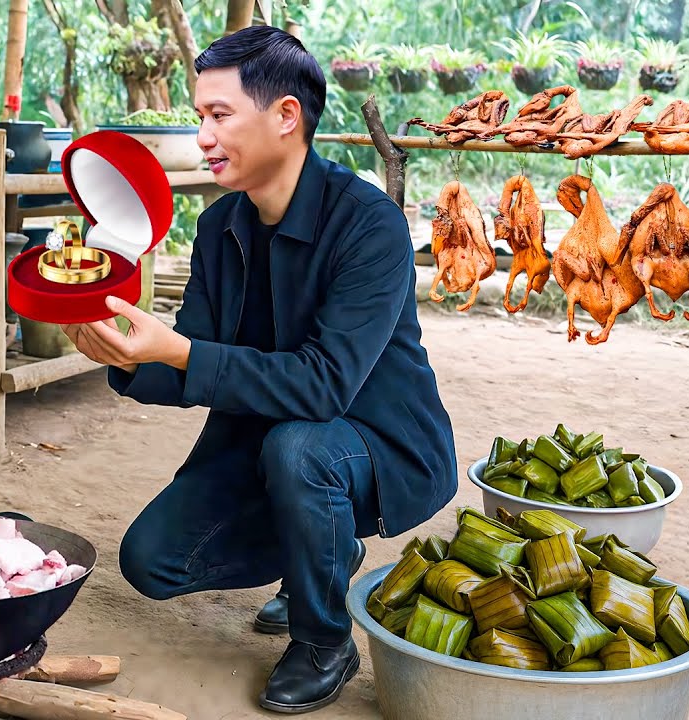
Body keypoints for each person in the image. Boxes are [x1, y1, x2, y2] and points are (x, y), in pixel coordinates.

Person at [60, 27, 457, 714]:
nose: (203, 137)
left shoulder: (371, 225)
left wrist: (179, 352)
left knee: (300, 446)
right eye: (199, 117)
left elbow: (324, 385)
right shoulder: (220, 228)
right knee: (150, 560)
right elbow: (195, 356)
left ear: (285, 117)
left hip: (381, 445)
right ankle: (320, 557)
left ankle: (323, 638)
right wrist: (126, 356)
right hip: (269, 444)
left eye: (219, 115)